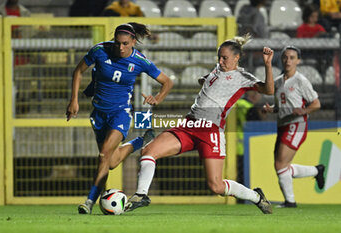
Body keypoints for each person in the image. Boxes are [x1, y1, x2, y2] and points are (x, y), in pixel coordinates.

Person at [125, 34, 275, 214]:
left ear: (236, 58)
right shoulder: (217, 69)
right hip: (189, 124)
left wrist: (267, 64)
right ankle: (141, 195)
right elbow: (205, 82)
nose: (220, 61)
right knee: (148, 151)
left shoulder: (242, 77)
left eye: (224, 58)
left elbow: (269, 90)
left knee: (216, 186)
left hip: (211, 131)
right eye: (219, 57)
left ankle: (256, 197)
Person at [66, 22, 173, 214]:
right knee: (112, 161)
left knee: (104, 154)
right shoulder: (99, 50)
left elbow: (167, 82)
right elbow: (77, 71)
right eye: (117, 43)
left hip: (121, 113)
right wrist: (74, 100)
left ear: (133, 41)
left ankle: (89, 201)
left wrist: (157, 98)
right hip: (98, 113)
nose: (120, 48)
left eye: (125, 43)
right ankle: (142, 140)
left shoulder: (140, 61)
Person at [263, 45, 325, 208]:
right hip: (282, 124)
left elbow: (316, 103)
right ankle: (316, 171)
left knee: (280, 164)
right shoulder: (278, 82)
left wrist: (304, 110)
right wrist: (272, 109)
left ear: (298, 61)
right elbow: (282, 105)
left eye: (292, 57)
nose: (288, 60)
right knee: (281, 166)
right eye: (285, 57)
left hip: (296, 124)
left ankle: (290, 202)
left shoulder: (301, 81)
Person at [235, 91, 265, 186]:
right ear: (254, 95)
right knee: (244, 176)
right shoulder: (249, 108)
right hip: (245, 147)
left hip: (233, 146)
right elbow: (257, 126)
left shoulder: (237, 104)